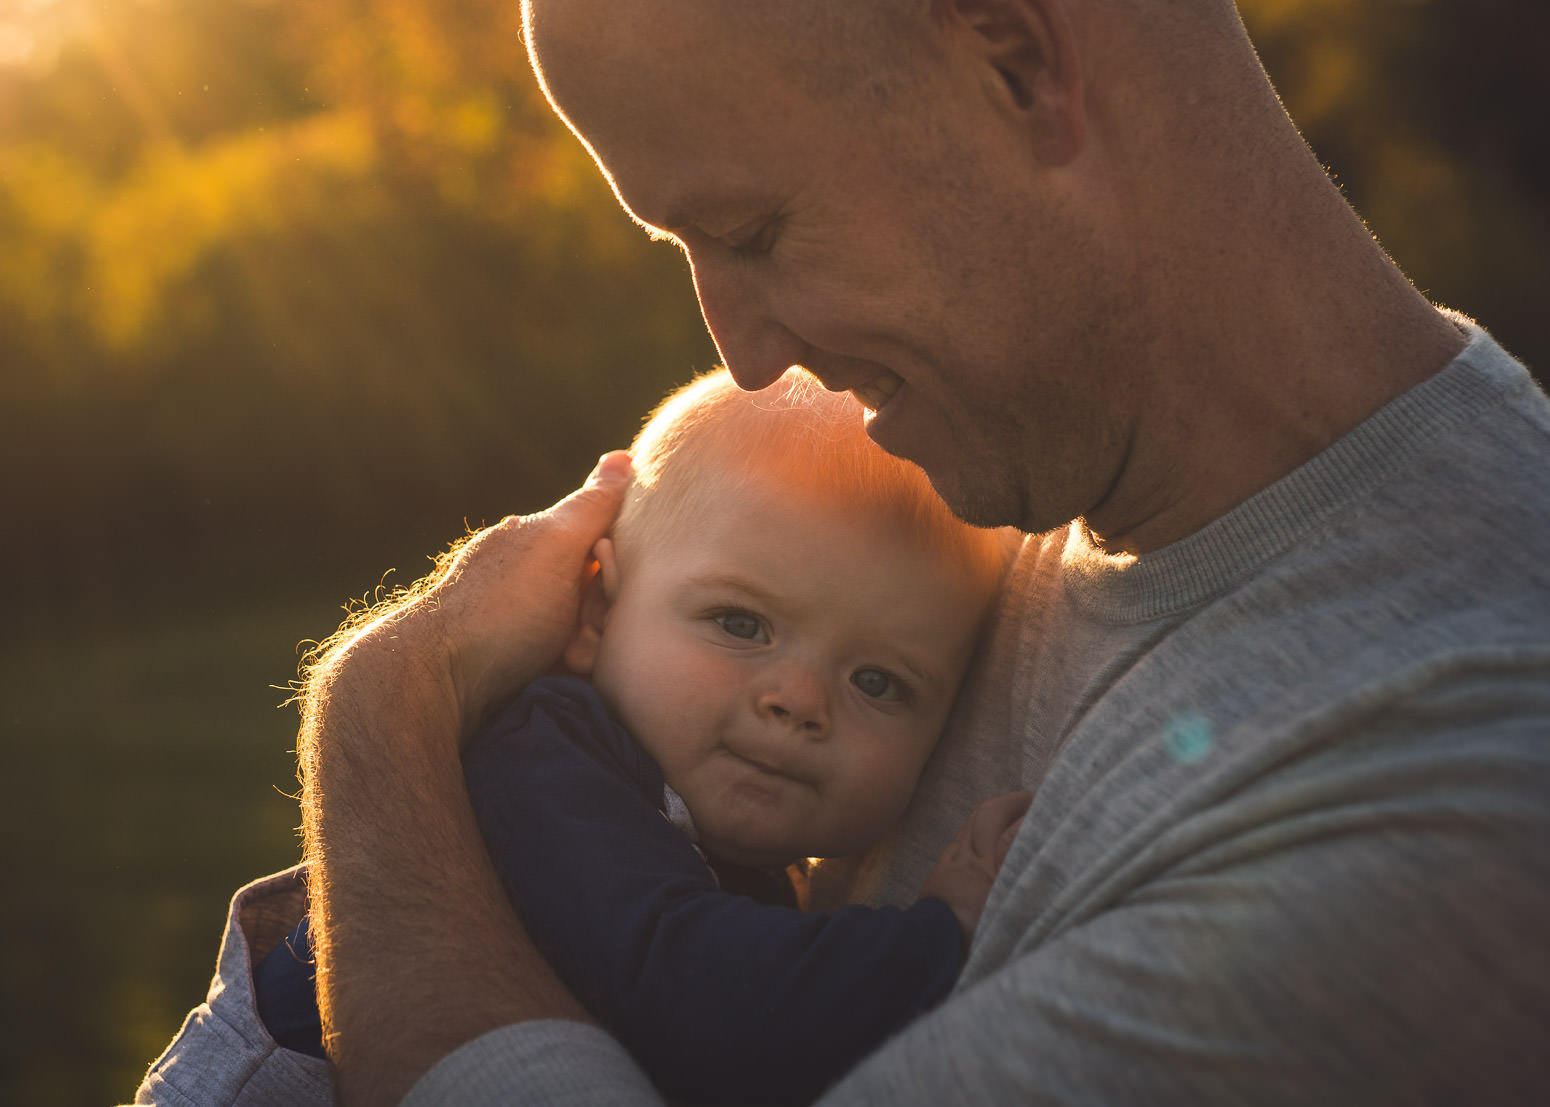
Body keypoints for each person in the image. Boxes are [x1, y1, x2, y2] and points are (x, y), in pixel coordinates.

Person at [141, 0, 1550, 1104]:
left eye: (753, 230)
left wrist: (382, 715)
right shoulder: (999, 489)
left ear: (1013, 59)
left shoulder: (1445, 789)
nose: (742, 350)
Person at [236, 368, 1018, 1106]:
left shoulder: (720, 837)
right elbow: (708, 1006)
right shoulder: (545, 763)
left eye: (878, 681)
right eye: (741, 624)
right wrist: (938, 935)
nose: (800, 700)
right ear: (596, 608)